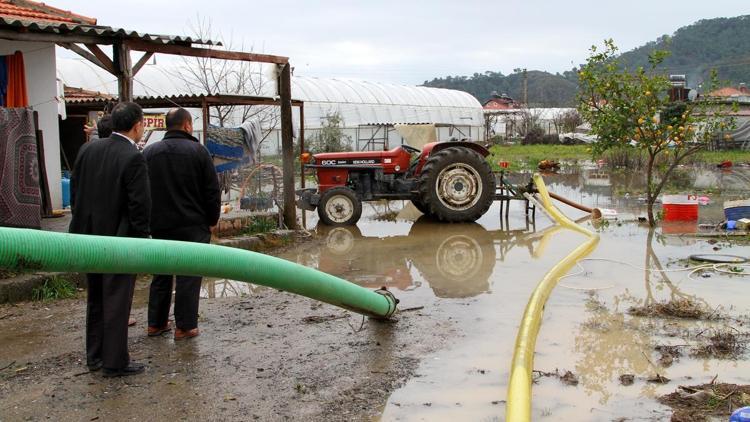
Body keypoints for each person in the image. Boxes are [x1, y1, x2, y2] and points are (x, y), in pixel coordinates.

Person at [69, 102, 151, 377]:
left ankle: (94, 357)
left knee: (96, 298)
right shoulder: (133, 156)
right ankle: (115, 361)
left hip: (87, 238)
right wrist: (141, 242)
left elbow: (75, 193)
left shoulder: (88, 149)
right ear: (137, 125)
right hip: (119, 241)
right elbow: (139, 206)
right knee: (117, 300)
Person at [143, 108, 220, 340]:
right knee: (189, 274)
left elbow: (141, 190)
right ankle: (185, 326)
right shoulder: (199, 152)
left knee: (161, 273)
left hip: (159, 225)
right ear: (187, 125)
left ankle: (156, 323)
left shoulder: (149, 153)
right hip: (192, 225)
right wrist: (212, 220)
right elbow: (211, 191)